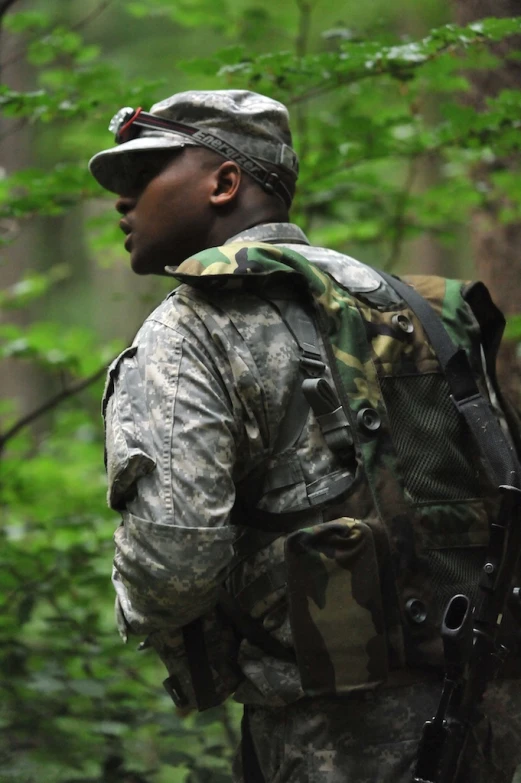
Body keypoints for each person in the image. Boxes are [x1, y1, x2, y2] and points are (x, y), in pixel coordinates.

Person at [89, 89, 521, 783]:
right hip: (484, 710)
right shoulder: (404, 304)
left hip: (325, 736)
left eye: (144, 175)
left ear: (224, 182)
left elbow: (172, 565)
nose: (121, 201)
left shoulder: (193, 325)